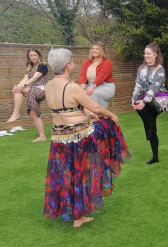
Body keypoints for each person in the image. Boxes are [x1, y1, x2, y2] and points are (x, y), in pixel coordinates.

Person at [43, 48, 130, 228]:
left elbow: (67, 108)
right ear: (68, 65)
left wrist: (87, 114)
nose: (74, 64)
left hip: (59, 139)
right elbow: (97, 108)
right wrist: (112, 115)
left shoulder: (49, 85)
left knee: (67, 175)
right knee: (108, 127)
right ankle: (79, 215)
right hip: (78, 138)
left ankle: (76, 215)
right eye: (73, 61)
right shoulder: (72, 86)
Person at [132, 43, 168, 165]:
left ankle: (148, 129)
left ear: (155, 55)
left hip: (160, 99)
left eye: (148, 53)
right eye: (145, 53)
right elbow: (138, 85)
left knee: (148, 105)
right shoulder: (141, 69)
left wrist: (143, 102)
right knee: (150, 122)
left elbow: (154, 88)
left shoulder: (160, 69)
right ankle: (155, 156)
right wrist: (133, 99)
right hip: (147, 99)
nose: (146, 55)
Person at [7, 48, 48, 142]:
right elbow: (25, 79)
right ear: (28, 57)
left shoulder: (42, 65)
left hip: (40, 89)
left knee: (19, 90)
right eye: (31, 56)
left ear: (39, 56)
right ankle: (42, 136)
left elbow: (35, 78)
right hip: (31, 90)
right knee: (33, 113)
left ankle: (16, 113)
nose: (33, 57)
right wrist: (18, 86)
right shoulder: (29, 67)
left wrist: (22, 86)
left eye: (35, 55)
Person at [79, 42, 116, 109]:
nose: (94, 50)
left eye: (97, 49)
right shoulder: (87, 62)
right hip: (89, 86)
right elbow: (83, 75)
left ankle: (99, 114)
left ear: (101, 51)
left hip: (105, 86)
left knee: (93, 94)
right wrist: (82, 84)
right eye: (92, 49)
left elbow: (102, 76)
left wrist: (93, 86)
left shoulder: (107, 62)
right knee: (79, 95)